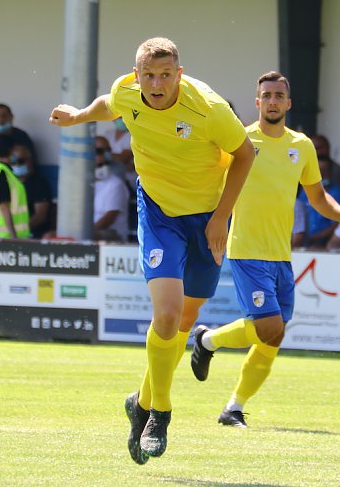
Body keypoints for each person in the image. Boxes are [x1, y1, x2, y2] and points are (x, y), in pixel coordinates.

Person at [49, 37, 255, 463]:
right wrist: (78, 117)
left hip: (207, 219)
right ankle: (160, 411)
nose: (156, 84)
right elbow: (110, 103)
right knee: (165, 315)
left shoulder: (210, 109)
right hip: (159, 213)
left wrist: (220, 218)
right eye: (149, 75)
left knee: (185, 321)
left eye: (165, 75)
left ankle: (139, 403)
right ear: (137, 73)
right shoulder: (130, 91)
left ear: (179, 74)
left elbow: (245, 154)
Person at [189, 71, 340, 428]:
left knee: (273, 336)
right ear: (257, 102)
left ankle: (233, 405)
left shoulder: (301, 146)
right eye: (266, 95)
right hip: (244, 250)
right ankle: (207, 342)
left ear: (288, 103)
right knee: (269, 325)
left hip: (281, 256)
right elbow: (208, 180)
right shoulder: (238, 142)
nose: (272, 101)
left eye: (278, 96)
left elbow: (316, 196)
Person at [0, 134, 31, 239]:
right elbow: (4, 207)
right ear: (11, 149)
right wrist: (14, 238)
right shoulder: (1, 173)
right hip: (6, 238)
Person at [297, 154, 340, 247]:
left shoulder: (338, 193)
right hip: (303, 241)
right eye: (318, 171)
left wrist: (316, 238)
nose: (320, 174)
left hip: (326, 242)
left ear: (330, 173)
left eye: (324, 171)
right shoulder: (305, 191)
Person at [11, 144, 52, 239]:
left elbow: (40, 217)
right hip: (12, 233)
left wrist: (19, 231)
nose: (17, 164)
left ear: (30, 161)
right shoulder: (9, 183)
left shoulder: (39, 183)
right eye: (13, 162)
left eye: (21, 161)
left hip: (35, 234)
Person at [93, 135, 129, 241]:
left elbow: (108, 219)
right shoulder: (82, 184)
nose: (105, 155)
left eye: (108, 150)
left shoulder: (115, 184)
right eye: (99, 151)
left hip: (111, 235)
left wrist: (83, 235)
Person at [103, 116, 137, 186]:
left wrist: (104, 155)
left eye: (122, 117)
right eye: (119, 117)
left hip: (128, 181)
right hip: (108, 176)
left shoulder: (134, 136)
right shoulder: (108, 133)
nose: (121, 120)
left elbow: (123, 158)